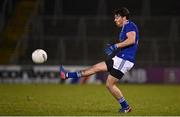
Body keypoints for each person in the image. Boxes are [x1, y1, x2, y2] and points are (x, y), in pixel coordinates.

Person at [60, 7, 139, 113]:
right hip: (120, 58)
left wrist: (115, 46)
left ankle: (126, 107)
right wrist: (115, 47)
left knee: (109, 84)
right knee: (95, 68)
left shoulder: (130, 25)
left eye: (117, 17)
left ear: (124, 17)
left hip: (125, 60)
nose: (115, 20)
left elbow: (131, 40)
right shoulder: (125, 27)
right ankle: (66, 75)